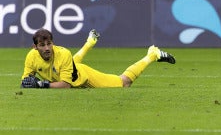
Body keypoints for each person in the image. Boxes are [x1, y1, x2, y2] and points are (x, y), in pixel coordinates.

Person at [21, 28, 176, 88]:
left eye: (49, 44)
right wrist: (27, 83)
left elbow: (66, 86)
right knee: (67, 64)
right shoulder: (31, 57)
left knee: (124, 82)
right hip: (65, 69)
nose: (47, 48)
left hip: (83, 77)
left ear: (53, 43)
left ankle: (152, 55)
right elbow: (26, 81)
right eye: (42, 45)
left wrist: (41, 85)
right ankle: (90, 42)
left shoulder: (63, 53)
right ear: (35, 47)